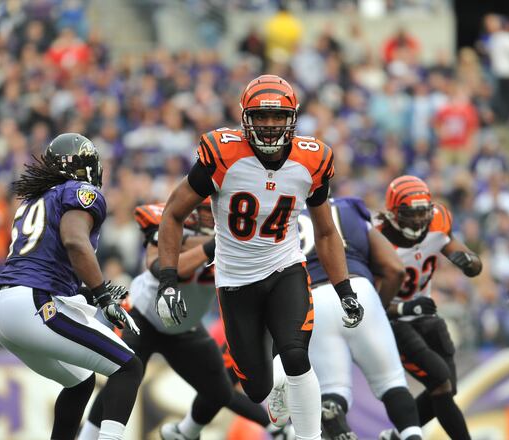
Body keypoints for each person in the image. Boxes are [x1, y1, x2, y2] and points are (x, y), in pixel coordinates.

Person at [156, 74, 364, 440]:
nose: (269, 125)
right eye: (261, 116)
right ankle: (278, 381)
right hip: (236, 280)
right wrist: (168, 281)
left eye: (277, 116)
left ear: (292, 119)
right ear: (245, 118)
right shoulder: (222, 156)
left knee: (296, 354)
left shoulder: (312, 160)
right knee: (255, 388)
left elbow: (326, 232)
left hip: (285, 267)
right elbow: (173, 214)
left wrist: (344, 289)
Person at [80, 201, 293, 440]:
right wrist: (213, 245)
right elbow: (161, 267)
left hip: (184, 326)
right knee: (123, 376)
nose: (208, 215)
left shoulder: (238, 237)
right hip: (143, 315)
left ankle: (274, 429)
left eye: (212, 209)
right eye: (204, 209)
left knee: (220, 392)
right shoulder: (171, 223)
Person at [0, 133, 142, 440]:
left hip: (1, 306)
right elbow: (74, 241)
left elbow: (44, 265)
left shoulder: (36, 199)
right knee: (128, 367)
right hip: (33, 304)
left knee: (80, 382)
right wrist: (102, 296)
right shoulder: (80, 191)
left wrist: (89, 293)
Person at [299, 197, 422, 440]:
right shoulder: (348, 207)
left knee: (333, 391)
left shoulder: (284, 213)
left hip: (311, 300)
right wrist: (378, 308)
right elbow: (395, 269)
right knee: (392, 383)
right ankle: (413, 436)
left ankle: (334, 414)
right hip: (356, 290)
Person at [377, 175, 481, 440]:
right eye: (410, 214)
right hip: (393, 320)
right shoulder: (377, 238)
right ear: (393, 213)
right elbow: (372, 301)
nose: (418, 220)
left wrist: (469, 262)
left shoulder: (438, 223)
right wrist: (404, 309)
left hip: (424, 313)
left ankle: (396, 436)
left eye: (422, 212)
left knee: (447, 388)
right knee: (440, 382)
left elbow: (473, 264)